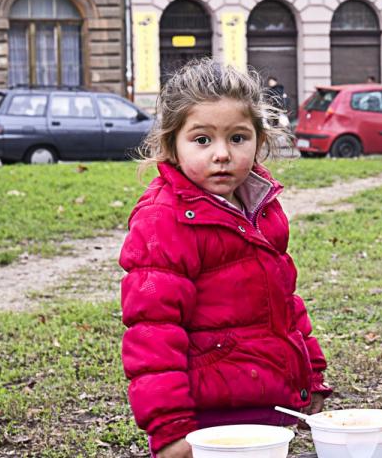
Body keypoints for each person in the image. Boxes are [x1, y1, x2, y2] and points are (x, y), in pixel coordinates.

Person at [120, 59, 331, 458]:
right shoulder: (163, 220)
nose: (222, 154)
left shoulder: (261, 205)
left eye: (238, 138)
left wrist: (311, 373)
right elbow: (153, 331)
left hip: (264, 403)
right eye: (202, 140)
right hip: (206, 418)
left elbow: (283, 301)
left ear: (259, 140)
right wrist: (170, 430)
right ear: (171, 144)